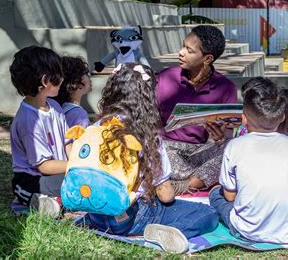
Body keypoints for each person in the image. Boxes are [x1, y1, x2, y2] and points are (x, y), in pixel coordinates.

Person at [87, 63, 218, 254]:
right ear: (147, 97)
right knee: (208, 213)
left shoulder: (96, 127)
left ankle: (84, 222)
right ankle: (171, 231)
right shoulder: (146, 135)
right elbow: (165, 196)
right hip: (133, 216)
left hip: (96, 213)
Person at [210, 78, 288, 244]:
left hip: (246, 230)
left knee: (216, 193)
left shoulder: (234, 146)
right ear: (282, 117)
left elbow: (230, 197)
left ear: (244, 119)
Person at [155, 25, 238, 195]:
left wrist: (220, 138)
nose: (181, 52)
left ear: (207, 58)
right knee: (155, 150)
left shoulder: (226, 87)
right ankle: (196, 181)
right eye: (183, 46)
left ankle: (181, 184)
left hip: (200, 151)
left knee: (232, 148)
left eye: (189, 50)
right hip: (167, 148)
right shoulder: (164, 78)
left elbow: (227, 135)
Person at [9, 45, 69, 217]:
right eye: (59, 75)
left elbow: (67, 141)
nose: (63, 78)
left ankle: (53, 202)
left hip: (58, 172)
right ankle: (43, 202)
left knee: (82, 178)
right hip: (33, 180)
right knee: (75, 182)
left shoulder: (55, 106)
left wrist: (78, 161)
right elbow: (44, 166)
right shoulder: (29, 121)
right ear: (44, 81)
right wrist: (76, 166)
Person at [53, 56, 92, 128]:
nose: (90, 77)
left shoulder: (57, 109)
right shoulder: (79, 114)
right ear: (77, 82)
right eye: (87, 73)